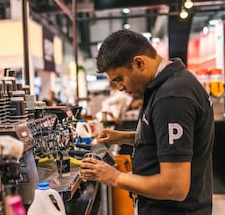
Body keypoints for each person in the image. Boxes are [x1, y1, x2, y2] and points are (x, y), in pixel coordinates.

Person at [79, 30, 214, 215]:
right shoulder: (168, 85)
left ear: (139, 63)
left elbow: (174, 187)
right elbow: (167, 142)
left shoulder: (172, 98)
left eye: (119, 79)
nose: (119, 87)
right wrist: (124, 137)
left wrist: (114, 177)